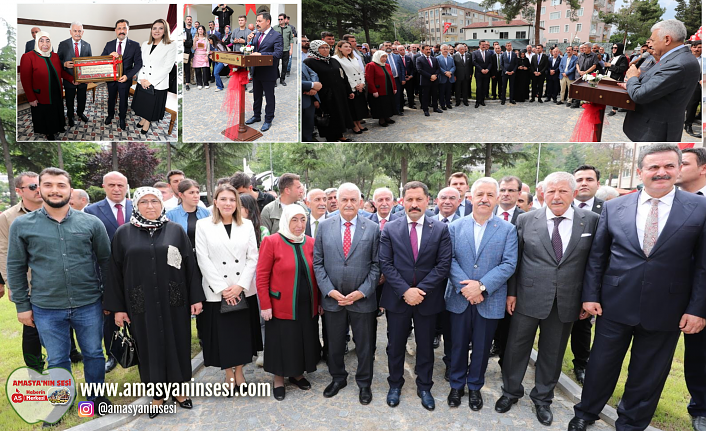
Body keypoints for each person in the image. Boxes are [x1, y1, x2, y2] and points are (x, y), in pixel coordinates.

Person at [568, 144, 706, 431]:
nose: (661, 172)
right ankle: (586, 413)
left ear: (679, 169)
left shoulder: (700, 208)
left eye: (669, 166)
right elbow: (598, 256)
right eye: (654, 167)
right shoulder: (614, 206)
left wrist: (697, 309)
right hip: (614, 303)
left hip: (668, 308)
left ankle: (631, 424)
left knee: (649, 373)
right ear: (640, 172)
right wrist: (590, 295)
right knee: (601, 365)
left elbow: (704, 265)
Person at [497, 172, 599, 427]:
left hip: (567, 300)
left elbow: (594, 264)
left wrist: (588, 298)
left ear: (574, 194)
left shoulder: (593, 221)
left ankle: (542, 399)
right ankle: (510, 392)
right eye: (551, 191)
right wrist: (511, 293)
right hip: (527, 297)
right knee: (516, 348)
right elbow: (515, 259)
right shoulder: (526, 219)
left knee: (552, 353)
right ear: (543, 193)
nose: (556, 196)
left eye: (563, 191)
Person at [7, 168, 113, 413]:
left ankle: (97, 399)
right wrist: (23, 307)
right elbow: (15, 267)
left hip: (89, 303)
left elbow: (106, 262)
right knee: (57, 359)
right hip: (46, 307)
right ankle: (62, 403)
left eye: (61, 185)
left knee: (94, 353)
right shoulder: (22, 225)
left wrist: (109, 298)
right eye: (48, 185)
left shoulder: (91, 223)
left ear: (70, 189)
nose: (55, 190)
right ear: (39, 189)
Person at [104, 187, 204, 417]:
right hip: (141, 303)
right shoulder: (123, 233)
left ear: (162, 204)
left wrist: (196, 298)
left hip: (174, 301)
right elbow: (115, 272)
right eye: (144, 202)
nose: (150, 206)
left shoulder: (176, 231)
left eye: (155, 201)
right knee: (148, 348)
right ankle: (157, 396)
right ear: (136, 205)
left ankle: (179, 391)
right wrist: (118, 308)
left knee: (177, 344)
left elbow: (190, 265)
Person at [443, 177, 518, 412]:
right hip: (459, 297)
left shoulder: (508, 229)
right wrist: (466, 288)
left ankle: (475, 387)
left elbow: (509, 264)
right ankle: (456, 385)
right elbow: (448, 260)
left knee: (483, 347)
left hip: (490, 298)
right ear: (470, 198)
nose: (484, 199)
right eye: (479, 195)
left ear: (496, 199)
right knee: (457, 344)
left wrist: (482, 286)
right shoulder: (455, 227)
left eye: (489, 195)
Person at [379, 181, 452, 411]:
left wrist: (419, 291)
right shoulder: (390, 228)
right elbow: (385, 263)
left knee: (425, 346)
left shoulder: (439, 229)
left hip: (427, 299)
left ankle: (424, 386)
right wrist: (405, 291)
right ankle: (394, 384)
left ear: (427, 201)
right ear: (402, 201)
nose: (413, 204)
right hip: (397, 298)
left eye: (418, 199)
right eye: (409, 199)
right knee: (395, 345)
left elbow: (443, 265)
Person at [313, 183, 380, 405]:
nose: (349, 204)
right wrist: (329, 291)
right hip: (333, 299)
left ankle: (364, 383)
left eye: (353, 200)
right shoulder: (323, 227)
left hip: (362, 300)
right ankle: (338, 378)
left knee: (364, 345)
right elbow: (318, 263)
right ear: (337, 201)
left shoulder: (372, 228)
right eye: (344, 200)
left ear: (360, 202)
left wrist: (362, 292)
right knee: (333, 343)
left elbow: (376, 265)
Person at [195, 184, 258, 393]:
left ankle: (239, 371)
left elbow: (253, 257)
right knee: (223, 336)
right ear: (215, 201)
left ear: (237, 203)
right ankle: (228, 374)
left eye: (232, 199)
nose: (228, 203)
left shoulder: (247, 225)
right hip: (217, 291)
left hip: (243, 290)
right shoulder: (203, 225)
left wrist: (239, 286)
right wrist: (223, 289)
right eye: (223, 199)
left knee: (241, 335)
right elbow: (202, 259)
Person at [257, 204, 322, 400]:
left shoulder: (310, 242)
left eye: (303, 219)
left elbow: (317, 274)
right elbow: (261, 276)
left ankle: (296, 373)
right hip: (280, 306)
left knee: (302, 340)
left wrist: (319, 302)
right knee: (281, 342)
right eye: (294, 219)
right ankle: (278, 378)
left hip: (306, 305)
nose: (299, 224)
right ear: (286, 220)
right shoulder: (272, 241)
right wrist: (266, 305)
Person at [84, 171, 133, 373]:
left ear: (127, 186)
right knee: (110, 316)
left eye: (120, 185)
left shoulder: (136, 206)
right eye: (112, 185)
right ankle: (112, 354)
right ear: (104, 186)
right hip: (106, 271)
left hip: (135, 270)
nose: (116, 189)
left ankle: (139, 349)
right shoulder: (91, 210)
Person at [623, 20, 700, 142]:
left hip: (655, 129)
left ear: (667, 40)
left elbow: (639, 95)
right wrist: (633, 84)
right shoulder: (677, 58)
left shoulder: (677, 63)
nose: (650, 45)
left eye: (653, 40)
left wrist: (632, 78)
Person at [0, 172, 47, 372]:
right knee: (31, 327)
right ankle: (35, 367)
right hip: (28, 282)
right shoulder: (8, 217)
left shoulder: (56, 210)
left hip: (57, 279)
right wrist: (11, 284)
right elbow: (3, 251)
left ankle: (70, 353)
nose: (38, 190)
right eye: (32, 187)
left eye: (40, 185)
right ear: (19, 191)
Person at [677, 148, 706, 431]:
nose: (675, 168)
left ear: (703, 169)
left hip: (702, 294)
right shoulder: (668, 200)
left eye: (683, 163)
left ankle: (701, 408)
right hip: (670, 292)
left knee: (701, 353)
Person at [20, 31, 75, 141]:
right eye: (41, 40)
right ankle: (49, 132)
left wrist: (71, 79)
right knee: (47, 114)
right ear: (37, 42)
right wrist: (31, 98)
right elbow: (25, 80)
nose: (45, 44)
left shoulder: (54, 56)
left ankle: (59, 127)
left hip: (56, 91)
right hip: (41, 94)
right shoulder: (28, 57)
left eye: (47, 41)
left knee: (57, 110)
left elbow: (60, 72)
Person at [304, 40, 355, 142]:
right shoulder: (309, 62)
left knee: (339, 114)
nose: (325, 50)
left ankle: (340, 134)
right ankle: (331, 138)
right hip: (324, 96)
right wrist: (314, 99)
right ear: (315, 49)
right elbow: (308, 81)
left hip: (339, 93)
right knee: (328, 116)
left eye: (327, 47)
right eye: (322, 48)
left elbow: (343, 76)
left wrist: (349, 91)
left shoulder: (332, 60)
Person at [133, 19, 176, 135]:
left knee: (152, 105)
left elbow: (167, 67)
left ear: (165, 30)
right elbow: (141, 63)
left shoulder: (171, 45)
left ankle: (147, 121)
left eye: (160, 28)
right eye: (154, 28)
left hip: (157, 83)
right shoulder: (145, 44)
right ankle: (144, 118)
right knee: (144, 104)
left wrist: (150, 82)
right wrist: (142, 79)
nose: (157, 31)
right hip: (143, 80)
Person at [245, 12, 284, 133]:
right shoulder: (256, 35)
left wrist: (261, 54)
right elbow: (252, 51)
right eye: (256, 21)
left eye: (259, 21)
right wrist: (248, 41)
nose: (257, 23)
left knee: (269, 97)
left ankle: (268, 119)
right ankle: (256, 116)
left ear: (268, 22)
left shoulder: (276, 35)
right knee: (257, 96)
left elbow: (278, 54)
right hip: (257, 71)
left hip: (268, 72)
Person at [101, 19, 143, 130]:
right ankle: (110, 115)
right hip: (111, 78)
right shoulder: (109, 44)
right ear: (115, 30)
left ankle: (122, 118)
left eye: (124, 28)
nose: (121, 31)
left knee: (123, 100)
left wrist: (128, 76)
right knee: (111, 98)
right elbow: (102, 59)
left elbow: (138, 64)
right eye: (119, 28)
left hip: (125, 78)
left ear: (128, 29)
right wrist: (109, 56)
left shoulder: (135, 45)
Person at [57, 22, 92, 127]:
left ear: (83, 32)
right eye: (75, 31)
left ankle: (80, 113)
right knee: (69, 99)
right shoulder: (63, 44)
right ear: (70, 32)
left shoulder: (87, 45)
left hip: (83, 80)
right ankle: (70, 116)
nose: (77, 33)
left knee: (82, 98)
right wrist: (64, 64)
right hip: (69, 79)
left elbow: (90, 62)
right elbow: (57, 60)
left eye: (79, 31)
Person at [165, 179, 211, 250]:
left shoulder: (206, 213)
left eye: (197, 192)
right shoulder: (170, 214)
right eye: (191, 193)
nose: (196, 196)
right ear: (181, 195)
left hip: (202, 253)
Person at [335, 40, 367, 134]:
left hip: (359, 85)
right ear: (339, 48)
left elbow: (360, 71)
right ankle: (354, 125)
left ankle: (359, 123)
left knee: (359, 107)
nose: (348, 48)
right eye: (345, 47)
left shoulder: (353, 58)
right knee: (352, 108)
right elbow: (343, 75)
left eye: (349, 47)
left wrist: (362, 83)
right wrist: (354, 85)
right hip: (350, 87)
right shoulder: (336, 59)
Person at [365, 50, 397, 128]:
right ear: (377, 57)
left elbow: (391, 77)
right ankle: (381, 120)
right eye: (382, 57)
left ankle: (387, 117)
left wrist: (394, 87)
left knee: (388, 103)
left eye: (385, 57)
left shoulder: (386, 65)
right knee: (380, 105)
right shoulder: (371, 65)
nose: (384, 58)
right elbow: (369, 79)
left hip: (388, 89)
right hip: (378, 90)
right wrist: (374, 90)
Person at [603, 43, 630, 116]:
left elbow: (622, 69)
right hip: (609, 76)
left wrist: (610, 65)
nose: (613, 49)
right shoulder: (613, 57)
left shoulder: (622, 58)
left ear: (620, 49)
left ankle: (614, 109)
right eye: (613, 47)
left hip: (616, 78)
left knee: (615, 95)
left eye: (615, 48)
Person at [416, 44, 442, 117]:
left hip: (434, 80)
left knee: (435, 95)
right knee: (425, 96)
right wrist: (430, 76)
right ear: (423, 50)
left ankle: (435, 108)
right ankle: (425, 109)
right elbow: (420, 70)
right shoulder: (419, 59)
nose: (428, 51)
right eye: (426, 49)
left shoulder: (434, 59)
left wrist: (435, 75)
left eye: (429, 49)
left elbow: (438, 68)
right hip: (425, 81)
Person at [302, 61, 322, 142]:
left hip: (310, 99)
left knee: (309, 126)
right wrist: (311, 85)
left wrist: (313, 86)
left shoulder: (301, 63)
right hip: (300, 98)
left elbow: (313, 73)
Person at [272, 13, 293, 86]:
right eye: (279, 19)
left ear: (285, 19)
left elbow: (291, 39)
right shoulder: (275, 28)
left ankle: (282, 79)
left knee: (285, 66)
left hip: (286, 50)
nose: (280, 21)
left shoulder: (289, 28)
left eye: (281, 19)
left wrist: (291, 49)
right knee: (275, 66)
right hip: (276, 50)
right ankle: (274, 80)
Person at [473, 40, 492, 108]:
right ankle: (477, 101)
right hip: (479, 73)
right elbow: (474, 62)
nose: (484, 46)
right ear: (479, 45)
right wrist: (481, 69)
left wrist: (487, 69)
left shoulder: (488, 53)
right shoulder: (475, 53)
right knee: (479, 87)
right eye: (482, 44)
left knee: (484, 87)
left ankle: (482, 100)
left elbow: (490, 63)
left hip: (486, 73)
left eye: (485, 44)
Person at [437, 45, 455, 111]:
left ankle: (448, 103)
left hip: (449, 78)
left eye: (446, 49)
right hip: (442, 78)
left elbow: (454, 67)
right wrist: (445, 73)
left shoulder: (451, 58)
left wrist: (450, 72)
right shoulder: (438, 58)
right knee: (442, 92)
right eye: (444, 49)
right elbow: (438, 67)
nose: (445, 50)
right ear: (441, 50)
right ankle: (442, 104)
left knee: (448, 92)